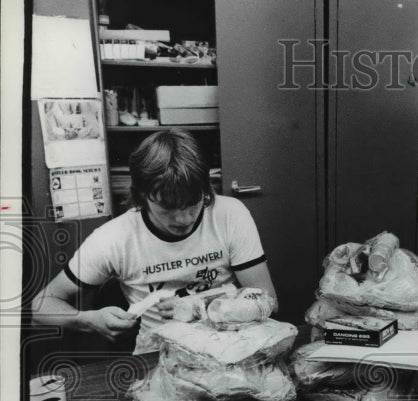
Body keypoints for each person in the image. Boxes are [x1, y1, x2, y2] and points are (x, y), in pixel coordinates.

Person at [32, 129, 277, 354]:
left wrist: (198, 306)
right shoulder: (114, 239)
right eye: (167, 207)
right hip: (162, 355)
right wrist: (88, 320)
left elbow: (268, 301)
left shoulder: (229, 214)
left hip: (232, 345)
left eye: (193, 203)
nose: (183, 219)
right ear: (141, 197)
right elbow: (41, 306)